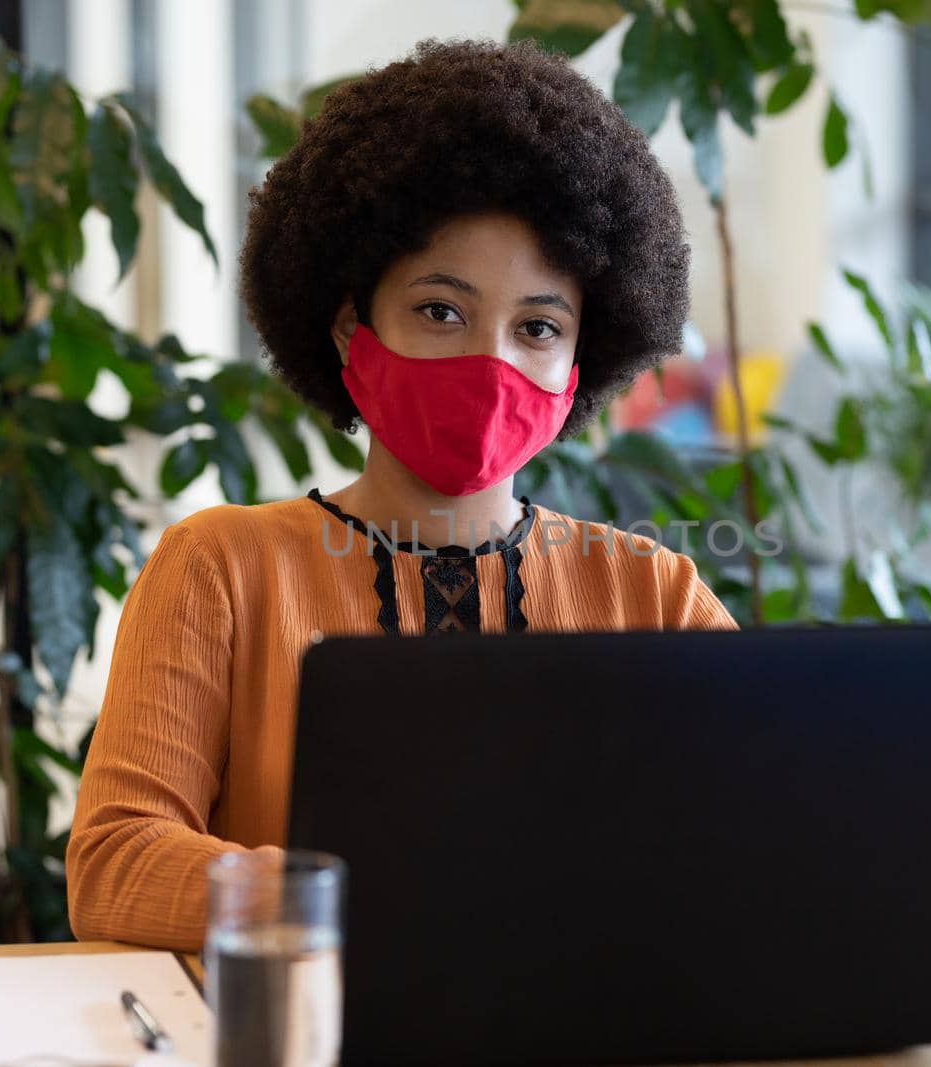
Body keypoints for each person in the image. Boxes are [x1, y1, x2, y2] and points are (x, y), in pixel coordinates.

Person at [66, 38, 738, 951]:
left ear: (579, 363)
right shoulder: (218, 568)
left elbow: (767, 832)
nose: (490, 361)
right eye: (440, 310)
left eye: (537, 325)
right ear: (352, 328)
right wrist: (363, 897)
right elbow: (114, 865)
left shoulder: (652, 595)